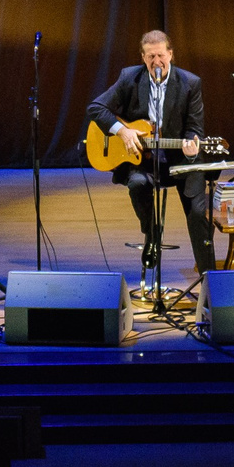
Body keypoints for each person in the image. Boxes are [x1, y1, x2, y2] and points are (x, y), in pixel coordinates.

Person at [87, 30, 214, 282]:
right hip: (143, 161)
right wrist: (122, 131)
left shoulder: (190, 83)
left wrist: (191, 147)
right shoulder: (129, 78)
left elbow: (195, 129)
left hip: (181, 161)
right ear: (143, 58)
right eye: (151, 56)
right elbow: (96, 107)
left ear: (171, 55)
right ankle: (152, 232)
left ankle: (211, 279)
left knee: (198, 214)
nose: (156, 62)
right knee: (136, 184)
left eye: (161, 55)